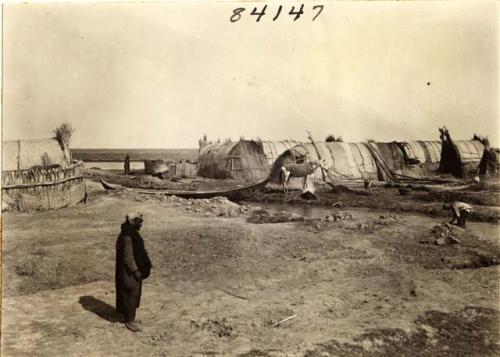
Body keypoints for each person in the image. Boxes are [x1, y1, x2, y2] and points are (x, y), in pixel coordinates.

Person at [116, 213, 152, 332]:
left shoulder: (130, 234)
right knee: (131, 294)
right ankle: (129, 320)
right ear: (132, 222)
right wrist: (135, 270)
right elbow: (128, 257)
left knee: (133, 294)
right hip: (128, 272)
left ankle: (131, 317)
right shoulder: (127, 237)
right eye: (138, 222)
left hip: (130, 271)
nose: (141, 224)